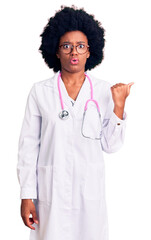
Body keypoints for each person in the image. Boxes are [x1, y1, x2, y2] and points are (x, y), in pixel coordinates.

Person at [17, 5, 134, 240]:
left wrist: (119, 106)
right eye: (66, 46)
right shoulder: (40, 92)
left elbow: (111, 146)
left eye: (80, 46)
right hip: (51, 193)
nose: (74, 52)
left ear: (90, 52)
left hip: (88, 194)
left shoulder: (103, 91)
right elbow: (28, 148)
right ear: (56, 51)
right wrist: (26, 196)